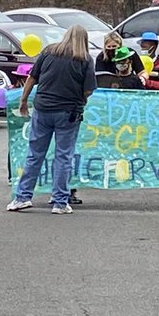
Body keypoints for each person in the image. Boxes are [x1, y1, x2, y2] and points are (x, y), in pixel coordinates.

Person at [8, 25, 97, 214]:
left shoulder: (48, 52)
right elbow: (88, 89)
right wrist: (81, 98)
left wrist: (23, 100)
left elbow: (32, 77)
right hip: (69, 112)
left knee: (34, 154)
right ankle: (60, 202)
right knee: (63, 157)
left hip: (43, 109)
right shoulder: (85, 59)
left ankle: (22, 197)